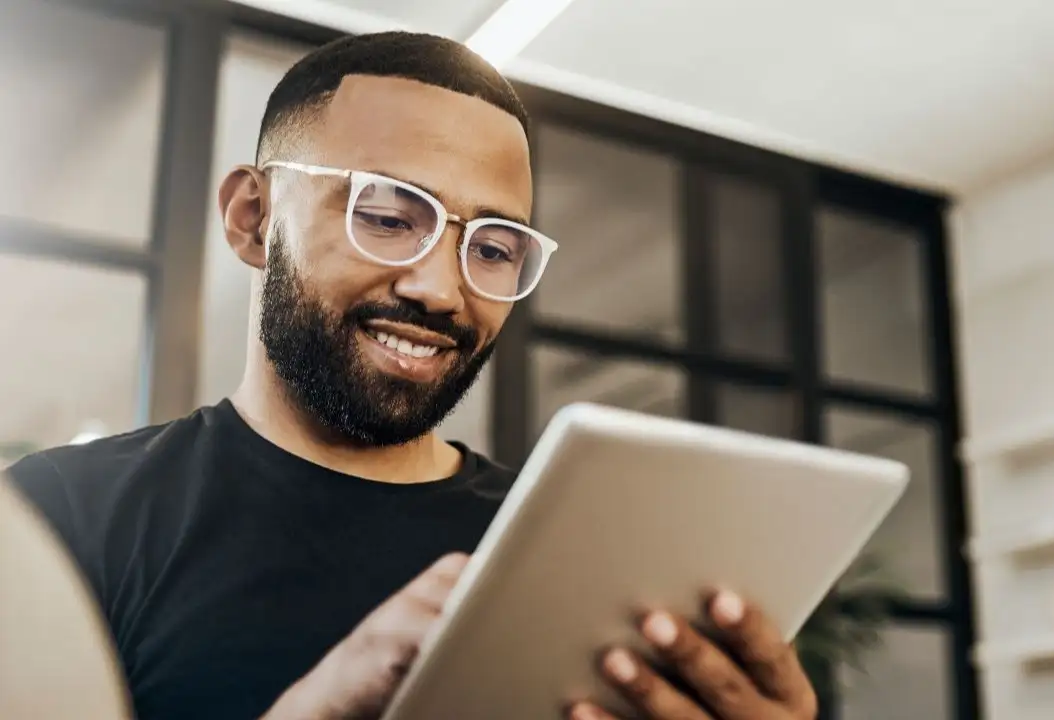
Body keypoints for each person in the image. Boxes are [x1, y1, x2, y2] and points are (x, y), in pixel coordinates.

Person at [5, 31, 818, 720]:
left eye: (494, 249)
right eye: (389, 218)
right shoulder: (54, 524)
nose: (439, 288)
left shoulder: (580, 561)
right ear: (254, 220)